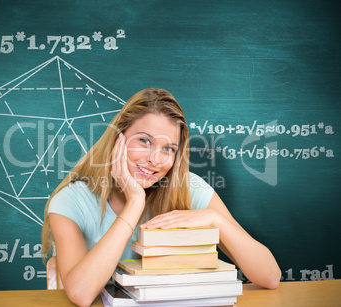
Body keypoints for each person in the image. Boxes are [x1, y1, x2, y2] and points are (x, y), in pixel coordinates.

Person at [41, 88, 281, 306]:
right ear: (118, 139)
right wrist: (135, 202)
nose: (155, 160)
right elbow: (82, 295)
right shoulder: (70, 200)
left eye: (168, 149)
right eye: (144, 141)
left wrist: (215, 219)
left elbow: (270, 276)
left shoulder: (189, 188)